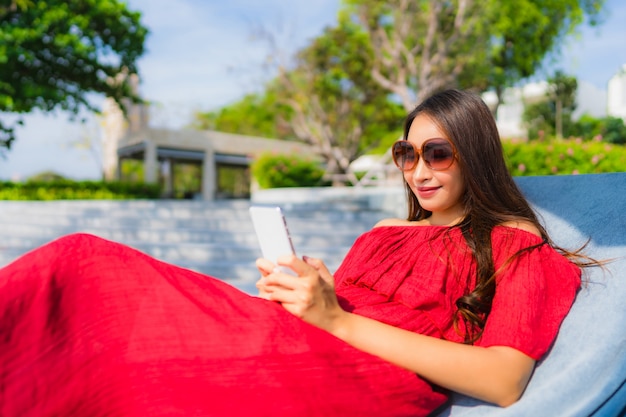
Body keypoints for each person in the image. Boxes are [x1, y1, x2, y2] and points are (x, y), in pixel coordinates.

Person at [0, 89, 596, 417]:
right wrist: (312, 287)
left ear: (475, 153)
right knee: (81, 274)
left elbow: (503, 379)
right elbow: (350, 305)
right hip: (296, 336)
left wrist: (333, 318)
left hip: (352, 375)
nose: (418, 169)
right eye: (405, 154)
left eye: (436, 152)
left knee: (87, 277)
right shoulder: (388, 230)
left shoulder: (517, 247)